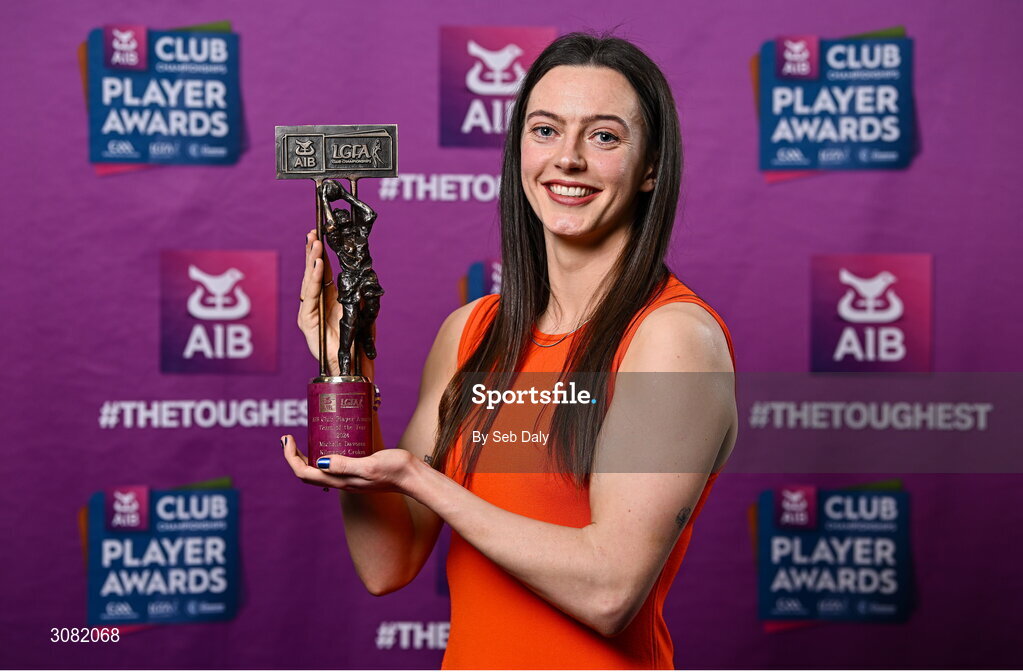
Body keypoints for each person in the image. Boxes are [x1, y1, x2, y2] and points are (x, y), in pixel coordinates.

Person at [284, 32, 736, 670]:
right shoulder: (472, 333)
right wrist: (344, 366)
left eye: (604, 136)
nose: (568, 159)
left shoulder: (672, 338)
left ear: (653, 166)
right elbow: (387, 564)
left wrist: (420, 479)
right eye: (545, 130)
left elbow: (611, 589)